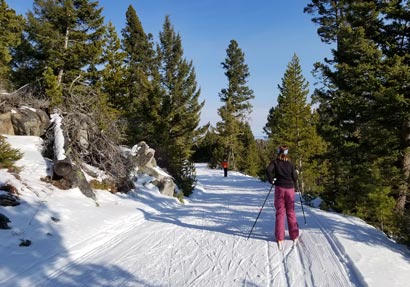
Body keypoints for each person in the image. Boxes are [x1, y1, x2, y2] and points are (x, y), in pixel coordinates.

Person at [266, 145, 299, 250]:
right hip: (290, 189)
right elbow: (295, 177)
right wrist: (295, 175)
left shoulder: (275, 162)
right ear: (287, 153)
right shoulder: (291, 163)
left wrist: (272, 180)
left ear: (278, 152)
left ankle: (280, 237)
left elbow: (268, 170)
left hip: (280, 188)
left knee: (280, 212)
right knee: (291, 212)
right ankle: (294, 235)